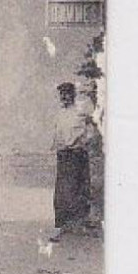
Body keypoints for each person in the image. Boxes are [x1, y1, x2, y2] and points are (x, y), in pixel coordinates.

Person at [50, 82, 91, 240]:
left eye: (67, 94)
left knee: (79, 188)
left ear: (73, 95)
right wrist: (59, 148)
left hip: (77, 155)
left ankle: (79, 226)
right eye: (62, 94)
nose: (65, 97)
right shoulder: (60, 114)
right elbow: (57, 135)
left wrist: (77, 144)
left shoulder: (80, 113)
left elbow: (87, 134)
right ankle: (61, 227)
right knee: (61, 192)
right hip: (63, 156)